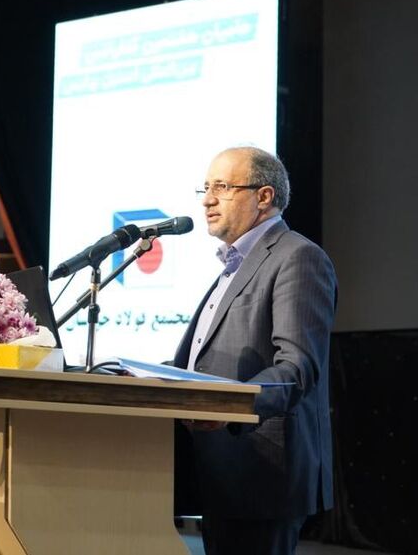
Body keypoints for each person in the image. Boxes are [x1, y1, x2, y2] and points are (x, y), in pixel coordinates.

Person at [174, 146, 337, 555]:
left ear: (263, 196)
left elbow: (297, 367)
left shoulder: (298, 257)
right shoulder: (233, 267)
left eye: (222, 187)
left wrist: (228, 406)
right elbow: (201, 360)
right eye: (205, 188)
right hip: (219, 469)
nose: (207, 200)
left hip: (262, 473)